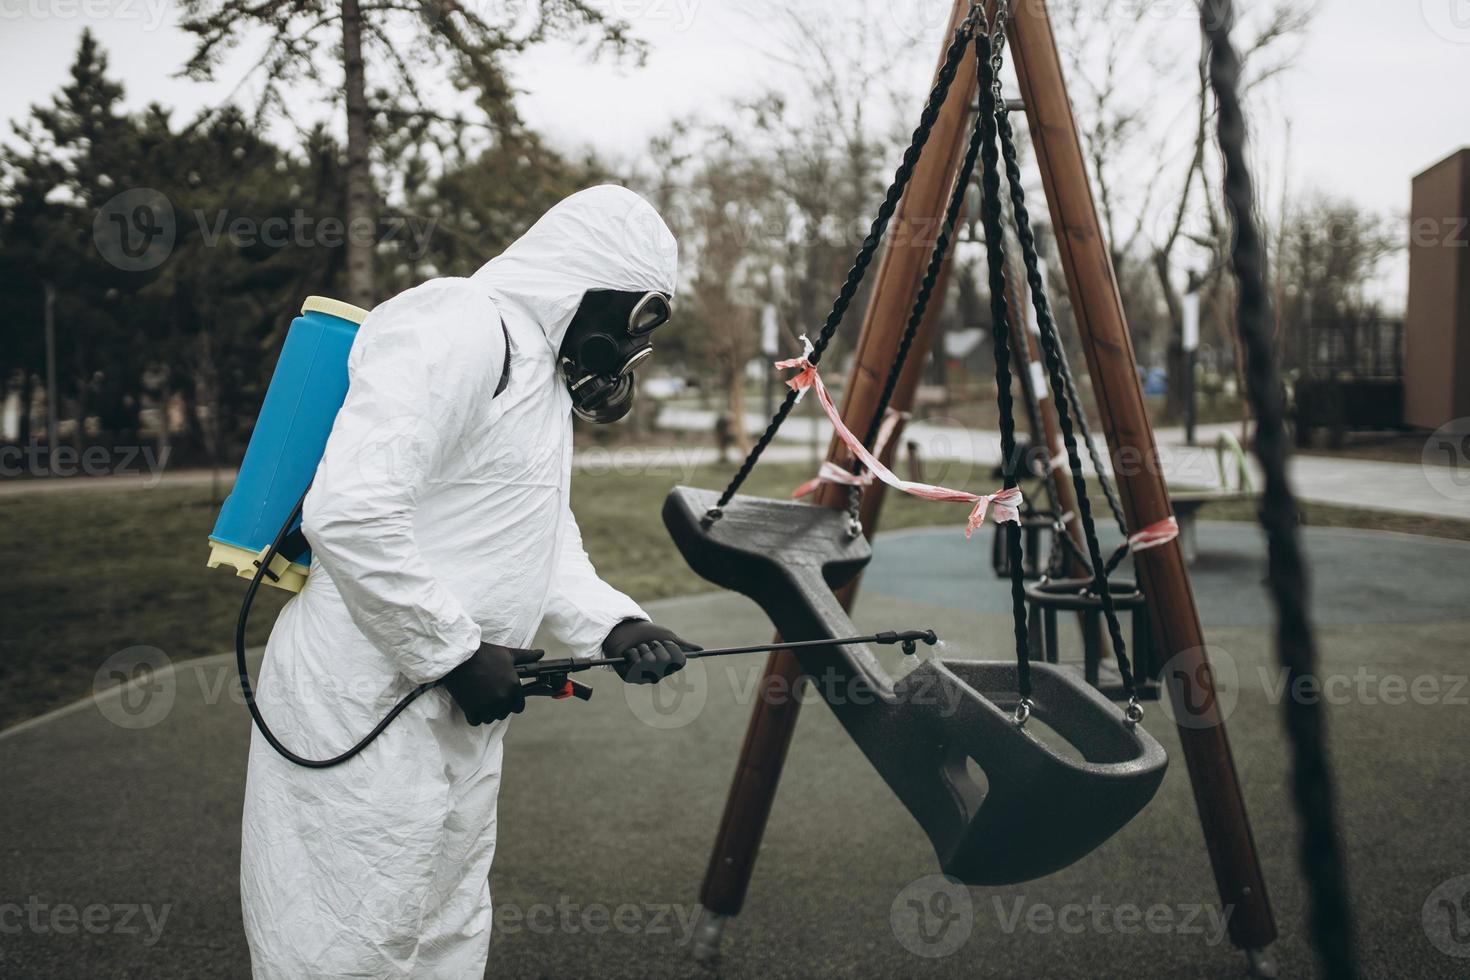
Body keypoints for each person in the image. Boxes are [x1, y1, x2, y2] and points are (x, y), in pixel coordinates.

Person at [240, 185, 699, 979]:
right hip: (364, 698)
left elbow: (536, 535)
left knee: (444, 926)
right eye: (627, 321)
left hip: (459, 703)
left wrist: (616, 626)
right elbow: (350, 510)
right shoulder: (458, 323)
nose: (624, 352)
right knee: (348, 940)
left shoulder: (539, 377)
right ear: (577, 282)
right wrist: (451, 651)